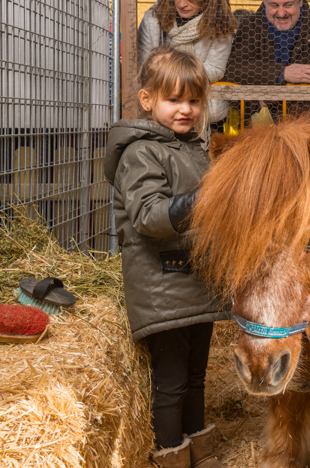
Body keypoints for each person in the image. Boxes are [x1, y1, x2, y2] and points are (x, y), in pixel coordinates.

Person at [104, 47, 225, 468]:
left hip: (197, 282)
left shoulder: (193, 148)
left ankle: (199, 452)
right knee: (172, 382)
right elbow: (149, 216)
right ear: (147, 99)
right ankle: (171, 454)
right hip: (163, 284)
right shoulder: (141, 153)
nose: (186, 109)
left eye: (194, 100)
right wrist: (205, 198)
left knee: (196, 377)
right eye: (174, 99)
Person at [138, 0, 238, 126]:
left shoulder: (220, 24)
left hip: (205, 111)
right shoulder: (152, 20)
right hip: (161, 111)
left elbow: (216, 69)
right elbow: (144, 68)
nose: (182, 3)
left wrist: (171, 72)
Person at [225, 0, 310, 123]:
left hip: (303, 120)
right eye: (274, 5)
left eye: (288, 5)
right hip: (256, 122)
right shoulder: (249, 24)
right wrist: (282, 73)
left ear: (300, 0)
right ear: (264, 1)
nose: (281, 13)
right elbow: (234, 69)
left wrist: (267, 95)